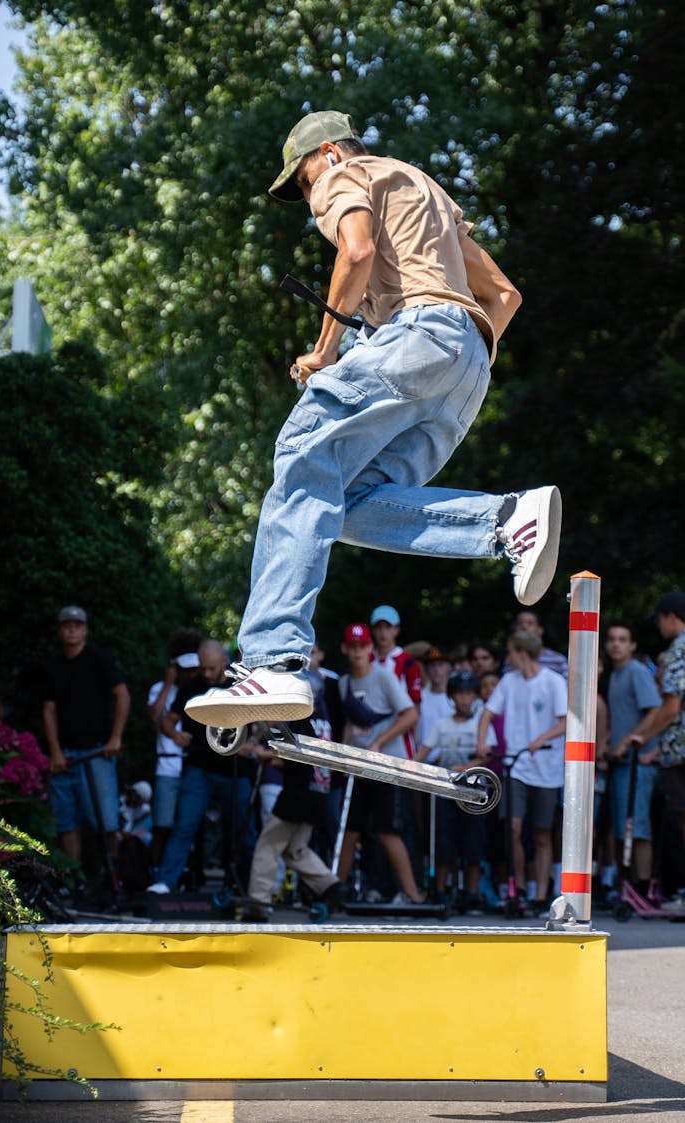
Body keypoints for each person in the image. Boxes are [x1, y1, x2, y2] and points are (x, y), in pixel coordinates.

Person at [184, 110, 562, 731]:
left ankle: (273, 658)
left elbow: (356, 251)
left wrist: (327, 347)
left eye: (302, 184)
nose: (308, 200)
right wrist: (452, 354)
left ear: (327, 153)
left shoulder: (344, 174)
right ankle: (503, 521)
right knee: (348, 504)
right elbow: (503, 296)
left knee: (303, 462)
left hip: (417, 338)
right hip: (465, 365)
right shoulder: (426, 191)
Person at [146, 638, 257, 895]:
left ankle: (248, 887)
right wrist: (175, 735)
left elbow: (256, 725)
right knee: (185, 824)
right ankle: (165, 882)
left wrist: (250, 743)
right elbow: (168, 721)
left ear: (224, 663)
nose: (206, 674)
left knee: (243, 831)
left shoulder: (239, 685)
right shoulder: (191, 686)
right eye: (202, 668)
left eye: (211, 668)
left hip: (235, 770)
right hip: (199, 768)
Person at [476, 629, 566, 914]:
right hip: (516, 766)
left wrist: (542, 738)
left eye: (511, 651)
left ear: (522, 653)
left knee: (542, 833)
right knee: (512, 827)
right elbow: (488, 713)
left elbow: (566, 722)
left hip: (547, 768)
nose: (508, 657)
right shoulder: (509, 682)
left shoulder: (552, 682)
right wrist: (482, 741)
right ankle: (520, 887)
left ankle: (541, 894)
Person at [42, 605, 130, 891]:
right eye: (66, 625)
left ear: (85, 629)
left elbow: (123, 696)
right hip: (65, 755)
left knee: (105, 819)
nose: (71, 630)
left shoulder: (98, 659)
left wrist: (115, 738)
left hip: (97, 752)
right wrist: (55, 751)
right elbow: (49, 710)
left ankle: (112, 876)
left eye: (77, 625)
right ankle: (73, 880)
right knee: (66, 819)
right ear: (59, 630)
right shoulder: (54, 667)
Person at [334, 622, 422, 905]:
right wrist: (344, 755)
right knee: (349, 831)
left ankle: (412, 894)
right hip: (358, 769)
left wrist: (379, 741)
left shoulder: (384, 677)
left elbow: (410, 714)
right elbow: (350, 723)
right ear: (345, 649)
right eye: (353, 647)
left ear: (370, 648)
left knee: (387, 831)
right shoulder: (344, 683)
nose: (358, 652)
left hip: (386, 766)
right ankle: (334, 891)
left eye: (363, 646)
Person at [615, 592, 685, 909]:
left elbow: (670, 707)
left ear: (671, 616)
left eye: (658, 619)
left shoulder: (677, 652)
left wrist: (643, 738)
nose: (658, 626)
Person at [243, 720, 343, 921]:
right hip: (319, 790)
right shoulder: (320, 720)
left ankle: (258, 903)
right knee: (295, 850)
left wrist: (261, 753)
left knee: (268, 846)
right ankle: (330, 886)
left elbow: (294, 751)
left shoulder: (298, 718)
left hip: (298, 793)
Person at [416, 670, 496, 913]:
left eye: (469, 693)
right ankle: (441, 891)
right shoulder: (442, 724)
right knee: (444, 844)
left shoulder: (480, 724)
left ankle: (472, 893)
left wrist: (464, 768)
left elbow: (487, 756)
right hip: (445, 792)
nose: (465, 698)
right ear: (452, 696)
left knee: (474, 844)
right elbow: (423, 752)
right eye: (460, 693)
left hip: (474, 793)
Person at [604, 620, 661, 895]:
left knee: (637, 827)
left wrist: (627, 741)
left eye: (623, 639)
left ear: (633, 645)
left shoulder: (637, 672)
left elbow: (655, 711)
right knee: (621, 828)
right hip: (620, 763)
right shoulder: (615, 675)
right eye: (612, 639)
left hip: (638, 762)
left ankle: (644, 888)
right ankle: (627, 886)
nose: (616, 644)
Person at [147, 629, 202, 868]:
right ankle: (156, 872)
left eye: (194, 670)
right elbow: (153, 719)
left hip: (193, 764)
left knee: (189, 825)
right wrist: (168, 685)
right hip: (167, 765)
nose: (190, 675)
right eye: (185, 670)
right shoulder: (160, 688)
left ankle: (188, 876)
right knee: (163, 824)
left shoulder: (201, 688)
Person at [370, 604, 422, 759]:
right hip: (369, 736)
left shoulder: (408, 661)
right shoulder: (366, 659)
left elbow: (416, 709)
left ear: (396, 630)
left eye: (388, 627)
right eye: (378, 627)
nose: (382, 632)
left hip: (401, 740)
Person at [508, 610, 568, 679]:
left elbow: (568, 687)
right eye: (520, 623)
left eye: (530, 623)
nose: (524, 626)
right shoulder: (510, 660)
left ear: (540, 630)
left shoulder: (558, 660)